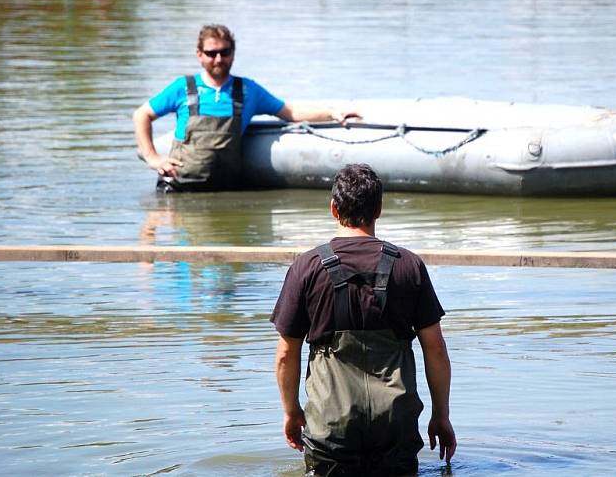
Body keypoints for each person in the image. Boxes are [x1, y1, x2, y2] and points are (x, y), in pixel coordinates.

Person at [271, 164, 456, 476]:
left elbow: (286, 353)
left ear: (333, 209)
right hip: (395, 427)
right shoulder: (409, 266)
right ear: (379, 210)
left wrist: (291, 412)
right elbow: (435, 349)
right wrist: (441, 415)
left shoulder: (306, 267)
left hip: (332, 430)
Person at [133, 24, 358, 192]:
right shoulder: (183, 88)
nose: (218, 59)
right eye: (211, 53)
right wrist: (153, 157)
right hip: (179, 190)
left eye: (225, 52)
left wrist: (332, 113)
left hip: (225, 191)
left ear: (233, 53)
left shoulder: (248, 90)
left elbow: (289, 112)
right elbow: (142, 115)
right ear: (199, 55)